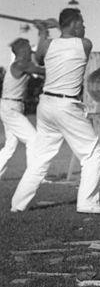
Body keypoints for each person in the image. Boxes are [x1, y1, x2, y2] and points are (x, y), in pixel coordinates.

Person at [11, 7, 100, 214]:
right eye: (81, 23)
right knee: (93, 153)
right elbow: (71, 38)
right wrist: (52, 25)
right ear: (73, 24)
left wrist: (44, 30)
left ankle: (17, 205)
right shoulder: (84, 44)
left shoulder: (47, 45)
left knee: (40, 158)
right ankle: (87, 203)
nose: (84, 27)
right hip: (66, 106)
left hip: (46, 105)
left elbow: (38, 57)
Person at [0, 36, 45, 179]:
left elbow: (37, 60)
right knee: (33, 139)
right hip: (11, 107)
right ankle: (34, 176)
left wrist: (42, 33)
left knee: (10, 146)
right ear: (21, 50)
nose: (30, 50)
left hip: (13, 106)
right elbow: (41, 70)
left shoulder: (24, 63)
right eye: (28, 48)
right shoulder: (21, 64)